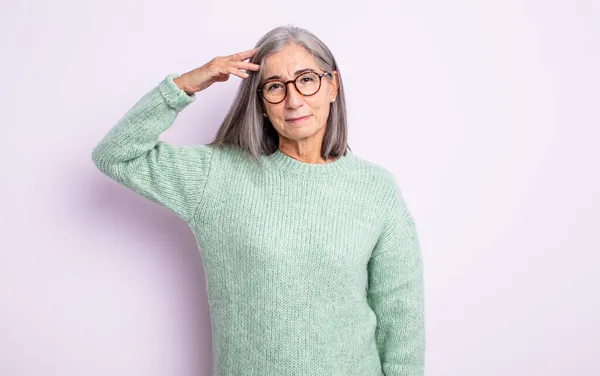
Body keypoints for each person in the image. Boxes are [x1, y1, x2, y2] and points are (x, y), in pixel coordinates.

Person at [91, 25, 425, 376]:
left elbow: (400, 312)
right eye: (276, 87)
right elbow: (116, 156)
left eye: (307, 79)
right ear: (262, 103)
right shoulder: (216, 175)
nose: (294, 100)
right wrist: (186, 85)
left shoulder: (375, 189)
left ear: (332, 86)